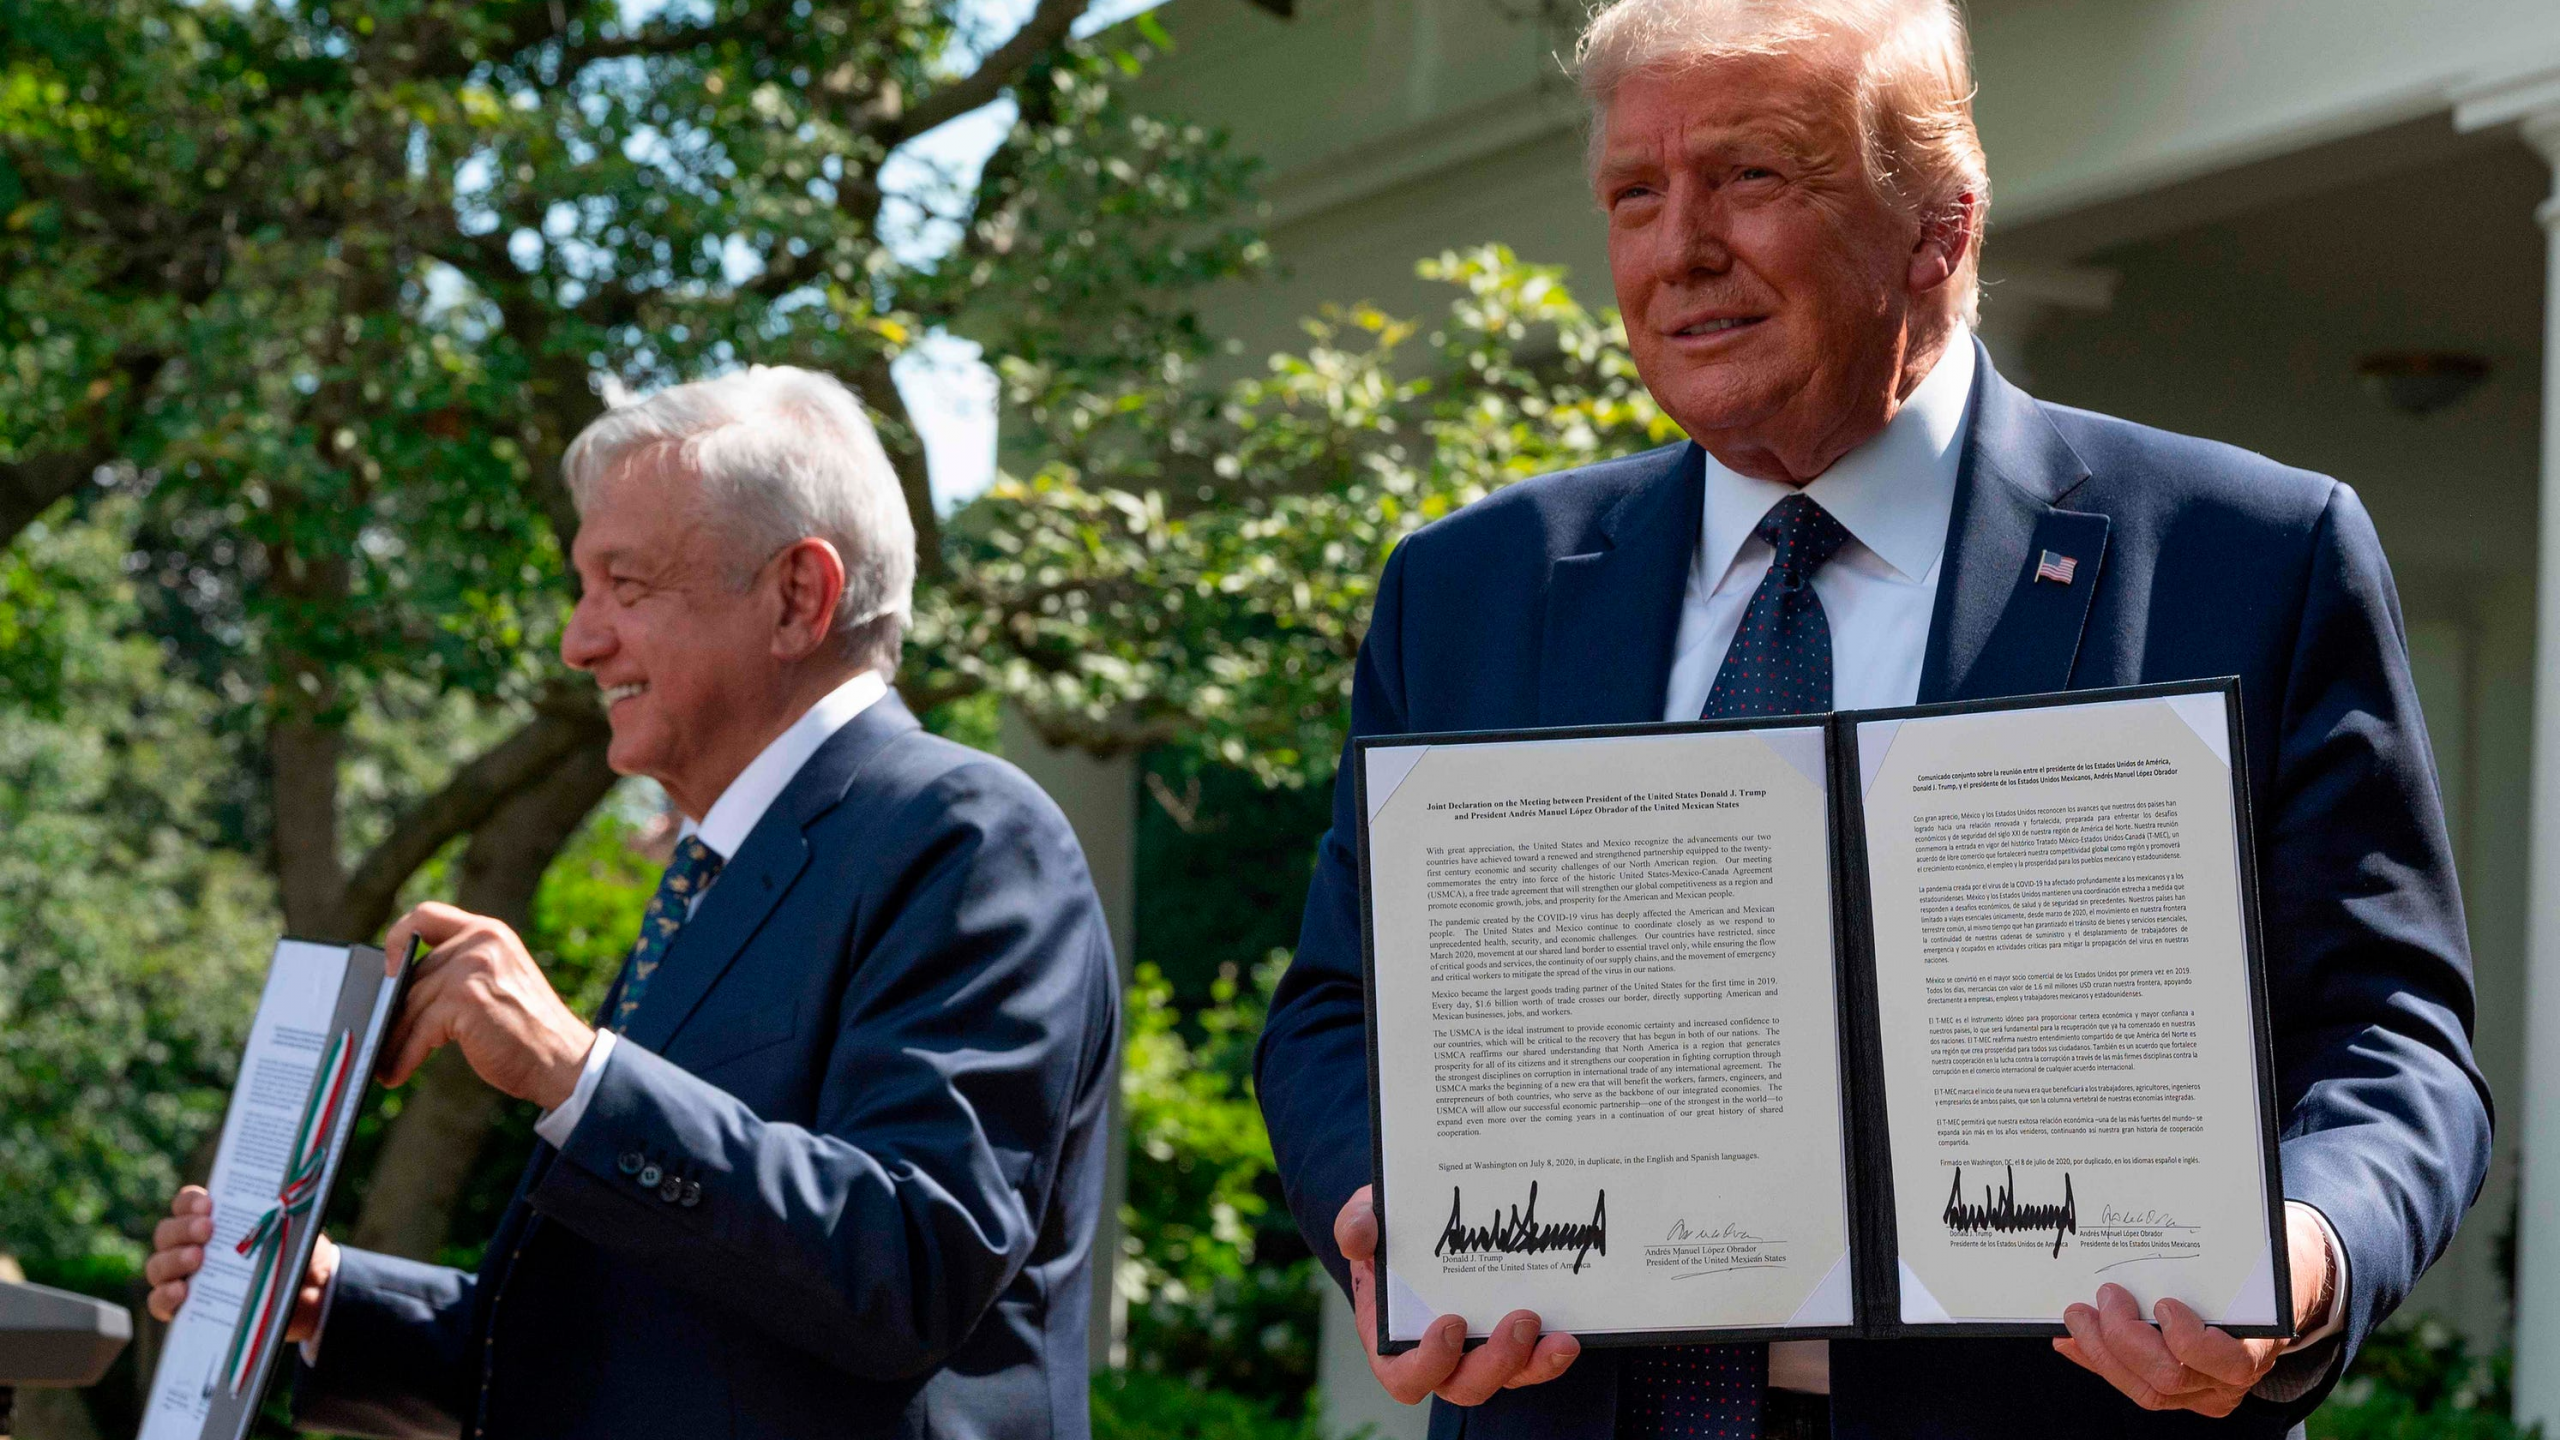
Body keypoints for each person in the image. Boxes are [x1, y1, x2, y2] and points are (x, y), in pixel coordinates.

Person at [1253, 1, 2491, 1436]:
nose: (1678, 248)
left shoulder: (2248, 557)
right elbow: (1340, 1010)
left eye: (1750, 177)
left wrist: (2305, 1252)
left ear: (1937, 230)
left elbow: (2389, 1038)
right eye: (1635, 195)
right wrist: (1381, 1213)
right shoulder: (1467, 591)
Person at [142, 367, 1121, 1440]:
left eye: (627, 585)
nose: (580, 641)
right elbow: (622, 1346)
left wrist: (575, 1071)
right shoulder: (711, 873)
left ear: (798, 597)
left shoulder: (966, 833)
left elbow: (910, 1269)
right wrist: (328, 1301)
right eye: (584, 587)